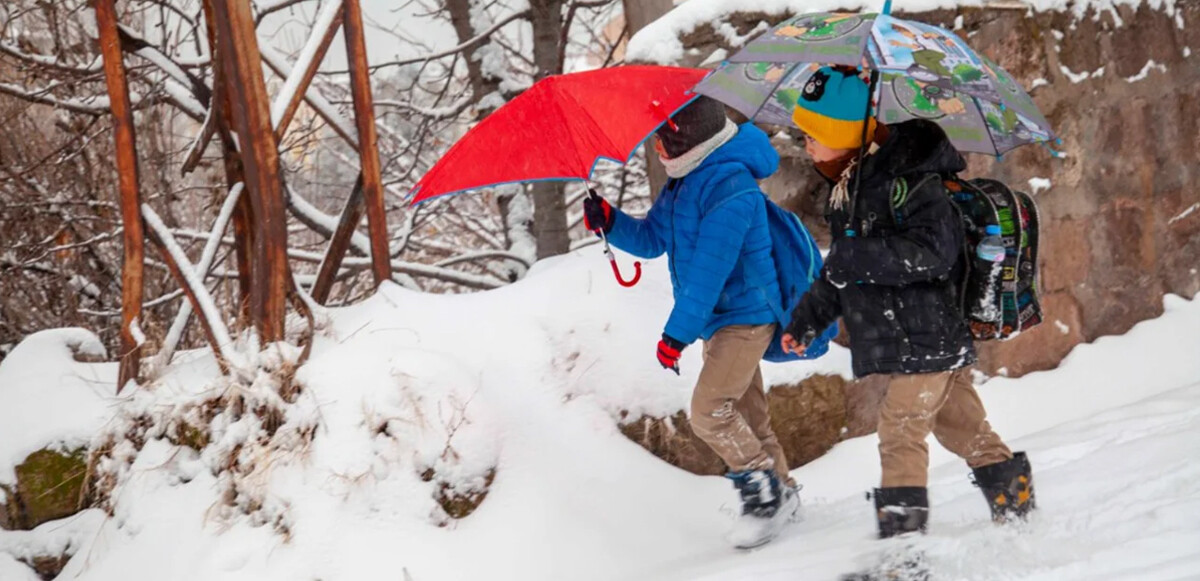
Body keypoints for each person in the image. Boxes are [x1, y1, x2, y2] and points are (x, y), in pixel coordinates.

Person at [780, 67, 1035, 541]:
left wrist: (857, 254)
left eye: (815, 135)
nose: (806, 145)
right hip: (911, 335)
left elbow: (934, 253)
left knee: (899, 432)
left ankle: (900, 555)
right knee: (961, 427)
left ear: (843, 132)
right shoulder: (848, 190)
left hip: (929, 328)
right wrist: (808, 320)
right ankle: (1016, 507)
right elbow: (841, 268)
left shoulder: (911, 180)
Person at [583, 96, 809, 549]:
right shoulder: (685, 182)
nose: (658, 151)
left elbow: (710, 271)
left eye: (662, 142)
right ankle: (786, 499)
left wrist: (675, 335)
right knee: (747, 414)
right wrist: (611, 220)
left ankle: (763, 495)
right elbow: (651, 239)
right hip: (722, 320)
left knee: (708, 411)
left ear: (686, 140)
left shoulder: (732, 187)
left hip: (745, 316)